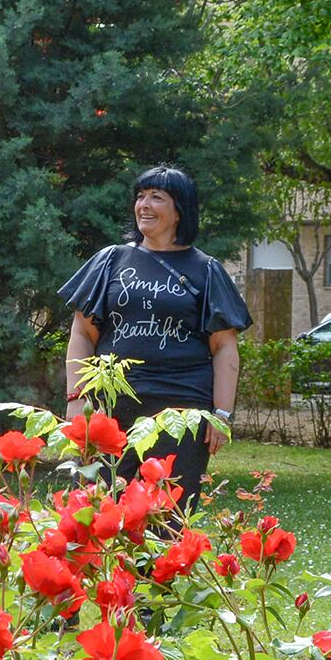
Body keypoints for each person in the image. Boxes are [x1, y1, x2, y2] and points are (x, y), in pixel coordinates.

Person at [61, 164, 249, 503]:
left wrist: (221, 415)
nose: (144, 205)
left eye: (156, 197)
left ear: (179, 211)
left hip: (181, 412)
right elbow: (82, 333)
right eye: (140, 197)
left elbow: (224, 347)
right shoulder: (110, 261)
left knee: (167, 511)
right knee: (95, 506)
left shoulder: (206, 270)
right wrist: (77, 400)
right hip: (110, 408)